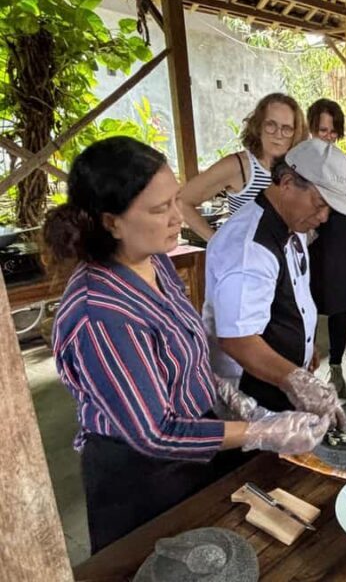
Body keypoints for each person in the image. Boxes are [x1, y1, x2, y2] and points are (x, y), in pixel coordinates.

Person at [44, 137, 330, 554]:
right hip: (142, 475)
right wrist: (260, 431)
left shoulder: (154, 260)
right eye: (161, 209)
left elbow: (182, 353)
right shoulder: (100, 315)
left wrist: (227, 393)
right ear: (111, 222)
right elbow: (156, 432)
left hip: (197, 443)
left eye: (175, 200)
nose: (179, 216)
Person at [203, 138, 346, 424]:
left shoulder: (292, 223)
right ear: (286, 182)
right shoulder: (249, 249)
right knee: (256, 462)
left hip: (277, 375)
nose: (324, 217)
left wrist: (306, 347)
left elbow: (293, 295)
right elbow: (238, 340)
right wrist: (298, 380)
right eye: (320, 203)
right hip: (250, 387)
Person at [180, 93, 307, 241]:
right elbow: (182, 201)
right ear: (258, 126)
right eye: (271, 125)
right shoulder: (239, 166)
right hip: (247, 261)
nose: (278, 134)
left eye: (286, 128)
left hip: (287, 260)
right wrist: (217, 242)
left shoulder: (299, 169)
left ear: (295, 133)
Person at [306, 99, 346, 394]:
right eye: (322, 130)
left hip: (341, 245)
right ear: (311, 130)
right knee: (304, 308)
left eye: (333, 132)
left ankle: (336, 367)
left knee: (339, 307)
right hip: (306, 245)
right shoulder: (298, 162)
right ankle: (303, 367)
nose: (328, 137)